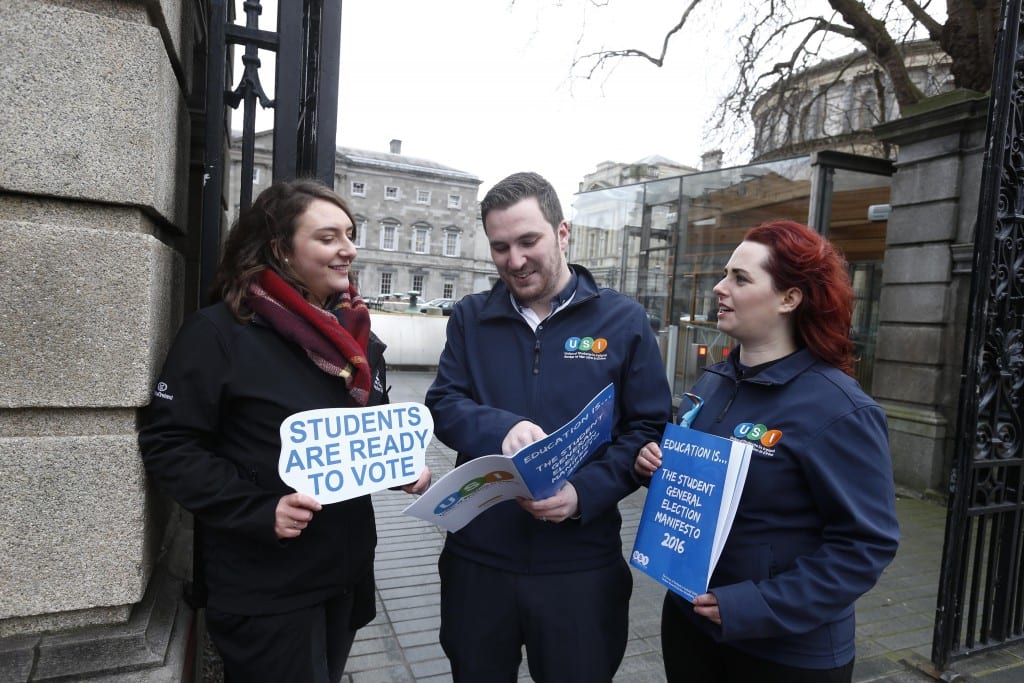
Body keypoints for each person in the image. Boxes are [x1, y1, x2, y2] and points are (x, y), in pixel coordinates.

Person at [138, 178, 430, 683]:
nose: (348, 250)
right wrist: (257, 509)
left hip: (345, 573)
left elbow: (364, 432)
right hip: (265, 585)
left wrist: (398, 466)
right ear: (280, 249)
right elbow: (169, 444)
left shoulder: (360, 339)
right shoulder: (218, 334)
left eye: (350, 233)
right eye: (328, 237)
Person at [425, 171, 673, 682]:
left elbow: (648, 428)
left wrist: (583, 494)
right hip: (479, 560)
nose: (514, 261)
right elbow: (444, 403)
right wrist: (501, 427)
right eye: (500, 247)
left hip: (579, 565)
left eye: (528, 241)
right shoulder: (472, 317)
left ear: (563, 233)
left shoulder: (623, 322)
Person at [635, 220, 900, 682]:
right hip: (691, 624)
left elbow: (864, 545)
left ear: (789, 298)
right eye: (725, 275)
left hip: (785, 652)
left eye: (740, 278)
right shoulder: (713, 381)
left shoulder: (840, 409)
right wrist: (656, 467)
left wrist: (755, 605)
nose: (719, 287)